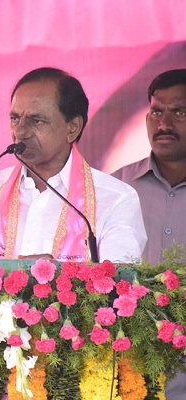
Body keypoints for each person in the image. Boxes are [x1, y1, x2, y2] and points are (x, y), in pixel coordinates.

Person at [0, 67, 147, 263]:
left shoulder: (115, 200)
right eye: (15, 118)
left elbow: (119, 286)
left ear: (72, 128)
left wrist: (55, 277)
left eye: (36, 120)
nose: (19, 131)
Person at [112, 69, 186, 399]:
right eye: (156, 112)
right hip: (127, 363)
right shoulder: (115, 189)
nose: (164, 124)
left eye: (179, 112)